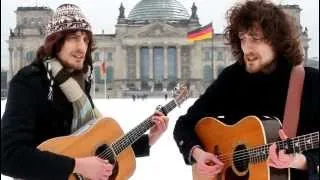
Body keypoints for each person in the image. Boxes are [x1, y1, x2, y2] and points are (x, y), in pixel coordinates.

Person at [1, 4, 169, 180]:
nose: (82, 47)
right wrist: (77, 165)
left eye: (86, 40)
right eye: (74, 38)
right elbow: (7, 156)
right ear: (55, 41)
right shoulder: (29, 81)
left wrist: (149, 139)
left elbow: (92, 146)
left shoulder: (79, 83)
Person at [173, 0, 319, 180]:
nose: (247, 48)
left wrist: (299, 160)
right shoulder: (231, 78)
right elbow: (184, 125)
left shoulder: (310, 82)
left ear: (277, 41)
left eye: (255, 39)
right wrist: (197, 153)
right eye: (243, 38)